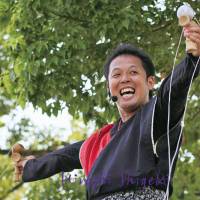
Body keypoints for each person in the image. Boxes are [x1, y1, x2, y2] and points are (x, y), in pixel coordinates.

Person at [15, 24, 200, 200]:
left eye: (134, 72)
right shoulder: (100, 140)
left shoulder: (156, 117)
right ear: (109, 88)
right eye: (117, 75)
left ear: (150, 82)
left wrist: (192, 60)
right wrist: (29, 167)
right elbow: (63, 157)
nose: (125, 79)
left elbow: (172, 91)